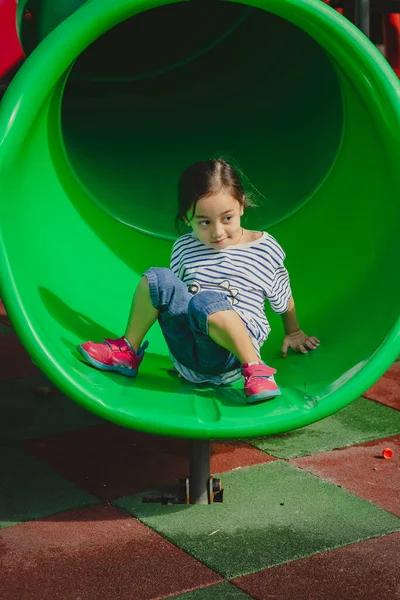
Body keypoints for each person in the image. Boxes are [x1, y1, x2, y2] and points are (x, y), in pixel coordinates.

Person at [78, 159, 319, 403]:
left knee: (207, 301)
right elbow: (177, 299)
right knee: (158, 278)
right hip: (191, 349)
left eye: (227, 218)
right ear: (186, 218)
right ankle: (127, 351)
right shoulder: (184, 246)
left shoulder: (262, 247)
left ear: (242, 206)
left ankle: (256, 370)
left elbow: (282, 293)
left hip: (232, 355)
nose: (217, 232)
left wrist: (294, 331)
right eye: (204, 222)